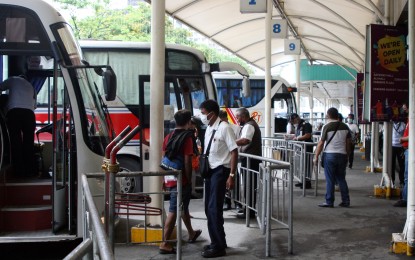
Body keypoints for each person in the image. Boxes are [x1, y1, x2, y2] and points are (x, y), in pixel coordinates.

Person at [159, 110, 202, 254]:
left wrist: (163, 179)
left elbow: (164, 158)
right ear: (189, 122)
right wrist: (189, 180)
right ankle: (164, 243)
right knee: (174, 210)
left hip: (169, 176)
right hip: (181, 179)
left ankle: (191, 232)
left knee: (182, 206)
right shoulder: (187, 138)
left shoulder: (168, 136)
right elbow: (188, 161)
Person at [199, 99, 238, 258]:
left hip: (221, 172)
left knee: (214, 209)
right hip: (210, 171)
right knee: (209, 209)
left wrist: (232, 175)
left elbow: (234, 152)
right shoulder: (209, 128)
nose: (202, 116)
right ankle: (218, 241)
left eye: (203, 113)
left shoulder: (224, 128)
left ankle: (219, 247)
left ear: (211, 113)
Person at [0, 70, 36, 178]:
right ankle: (30, 171)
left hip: (15, 112)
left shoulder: (13, 79)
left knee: (16, 142)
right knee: (28, 143)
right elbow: (34, 106)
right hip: (29, 114)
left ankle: (19, 172)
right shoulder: (31, 87)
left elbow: (1, 87)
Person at [313, 107, 351, 208]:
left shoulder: (327, 127)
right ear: (337, 115)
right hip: (342, 155)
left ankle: (329, 201)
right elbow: (348, 143)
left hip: (330, 155)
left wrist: (316, 156)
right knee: (341, 179)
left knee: (330, 180)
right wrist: (347, 155)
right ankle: (346, 201)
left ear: (328, 115)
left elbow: (321, 143)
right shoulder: (345, 126)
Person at [234, 107, 262, 219]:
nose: (237, 119)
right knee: (249, 184)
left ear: (243, 116)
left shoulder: (249, 125)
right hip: (250, 160)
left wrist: (230, 143)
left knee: (249, 185)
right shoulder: (250, 124)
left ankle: (249, 212)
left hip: (251, 160)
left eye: (237, 117)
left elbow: (245, 140)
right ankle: (248, 210)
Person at [218, 110, 240, 211]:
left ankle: (237, 202)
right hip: (223, 160)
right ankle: (226, 202)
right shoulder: (217, 128)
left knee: (235, 180)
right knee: (223, 184)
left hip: (232, 159)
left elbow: (236, 145)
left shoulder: (235, 128)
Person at [290, 113, 313, 189]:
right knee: (301, 165)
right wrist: (292, 137)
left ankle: (307, 182)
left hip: (306, 148)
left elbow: (307, 135)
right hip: (300, 148)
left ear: (296, 118)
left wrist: (297, 139)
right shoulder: (299, 126)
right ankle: (302, 181)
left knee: (307, 165)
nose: (293, 123)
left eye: (293, 121)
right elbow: (298, 135)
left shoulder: (306, 125)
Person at [394, 114, 409, 207]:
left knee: (407, 175)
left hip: (408, 148)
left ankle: (405, 198)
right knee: (406, 174)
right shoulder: (408, 121)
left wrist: (402, 139)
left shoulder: (408, 121)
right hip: (405, 148)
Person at [391, 120, 405, 188]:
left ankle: (402, 181)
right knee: (392, 165)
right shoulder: (390, 124)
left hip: (400, 147)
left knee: (402, 165)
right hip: (392, 146)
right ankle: (392, 180)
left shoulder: (403, 124)